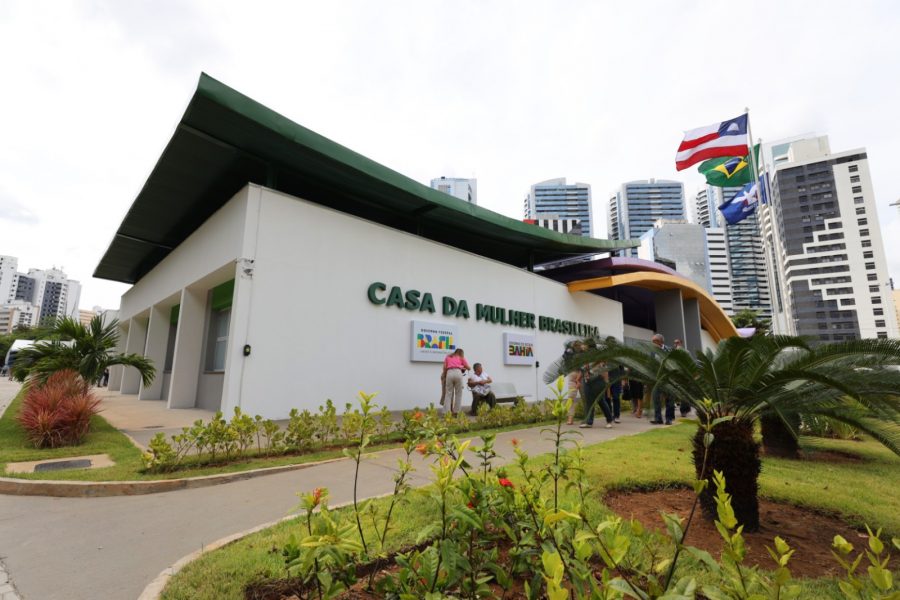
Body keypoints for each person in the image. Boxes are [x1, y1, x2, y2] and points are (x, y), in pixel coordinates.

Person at [579, 359, 614, 429]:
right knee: (589, 402)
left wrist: (606, 383)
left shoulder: (598, 358)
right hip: (587, 382)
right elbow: (582, 370)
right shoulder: (585, 358)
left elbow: (604, 371)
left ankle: (609, 421)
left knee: (601, 401)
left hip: (598, 381)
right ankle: (589, 422)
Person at [649, 333, 676, 425]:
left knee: (669, 399)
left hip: (669, 378)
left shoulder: (669, 350)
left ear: (660, 341)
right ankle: (658, 418)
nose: (652, 343)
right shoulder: (652, 351)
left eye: (654, 341)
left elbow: (674, 363)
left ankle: (669, 419)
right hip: (657, 379)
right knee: (656, 398)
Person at [441, 348, 470, 415]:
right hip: (458, 373)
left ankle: (447, 412)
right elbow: (468, 367)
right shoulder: (461, 357)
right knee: (458, 394)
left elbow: (444, 368)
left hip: (449, 373)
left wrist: (444, 375)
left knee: (448, 394)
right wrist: (462, 367)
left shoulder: (448, 357)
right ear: (461, 353)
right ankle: (456, 411)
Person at [672, 339, 691, 417]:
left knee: (684, 392)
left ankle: (684, 410)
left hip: (684, 375)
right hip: (676, 374)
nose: (676, 344)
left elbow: (690, 362)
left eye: (677, 342)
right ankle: (686, 408)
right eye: (675, 343)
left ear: (681, 343)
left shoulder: (686, 352)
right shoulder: (672, 353)